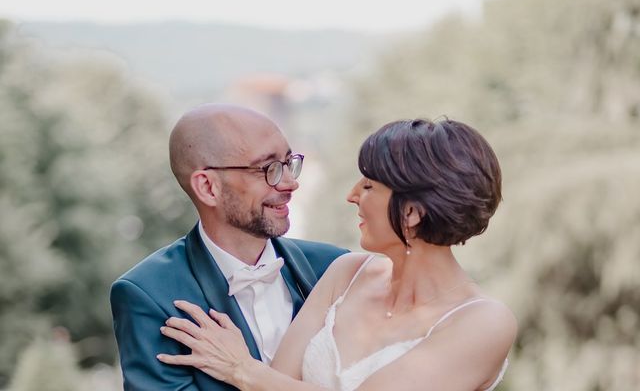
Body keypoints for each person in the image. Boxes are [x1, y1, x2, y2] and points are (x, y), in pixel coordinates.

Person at [157, 118, 518, 391]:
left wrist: (242, 369)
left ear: (412, 212)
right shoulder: (346, 273)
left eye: (369, 185)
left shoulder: (483, 322)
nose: (352, 195)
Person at [110, 104, 348, 390]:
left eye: (289, 163)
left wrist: (245, 372)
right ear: (209, 187)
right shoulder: (150, 294)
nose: (290, 183)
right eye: (268, 169)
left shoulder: (336, 268)